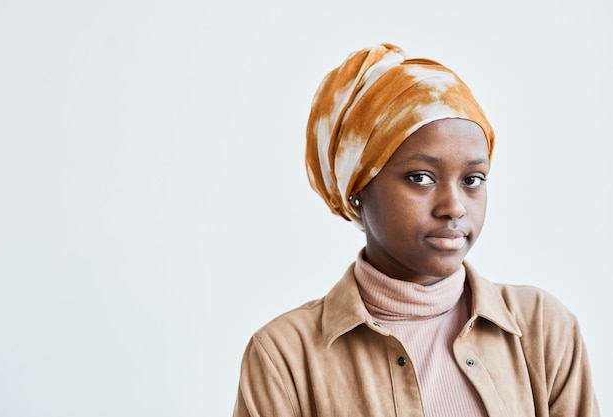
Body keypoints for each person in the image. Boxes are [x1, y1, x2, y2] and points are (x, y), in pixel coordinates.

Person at [232, 43, 600, 417]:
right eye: (421, 178)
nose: (454, 206)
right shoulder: (284, 357)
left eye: (472, 179)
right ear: (357, 187)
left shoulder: (541, 328)